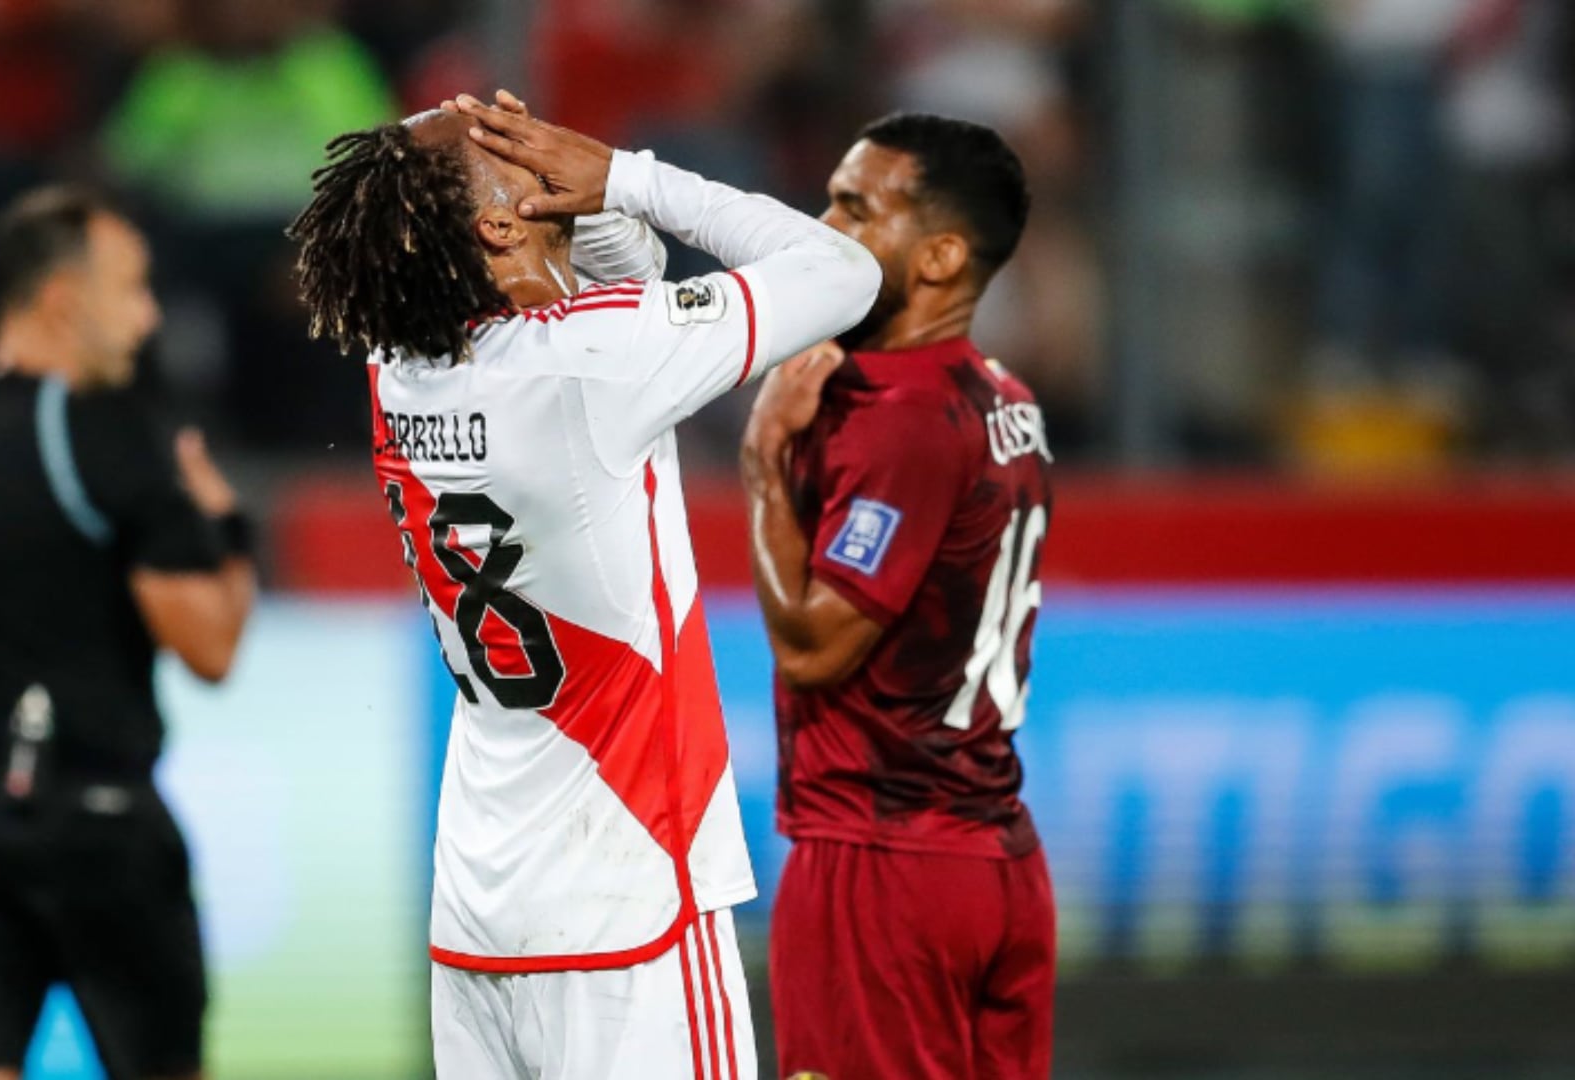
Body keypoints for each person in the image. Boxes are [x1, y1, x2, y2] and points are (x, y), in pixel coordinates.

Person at [285, 91, 879, 1078]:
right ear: (499, 224)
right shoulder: (596, 359)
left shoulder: (398, 365)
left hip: (481, 914)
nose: (541, 154)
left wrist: (575, 205)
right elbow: (843, 272)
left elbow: (621, 280)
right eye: (514, 160)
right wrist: (623, 175)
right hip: (630, 900)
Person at [0, 185, 257, 1080]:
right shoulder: (107, 430)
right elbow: (210, 649)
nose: (148, 316)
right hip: (99, 824)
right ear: (62, 300)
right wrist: (224, 531)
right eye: (131, 288)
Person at [739, 114, 1054, 1080]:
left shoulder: (900, 414)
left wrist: (763, 468)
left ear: (941, 256)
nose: (819, 225)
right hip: (998, 861)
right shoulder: (1004, 396)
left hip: (880, 867)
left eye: (854, 207)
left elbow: (813, 647)